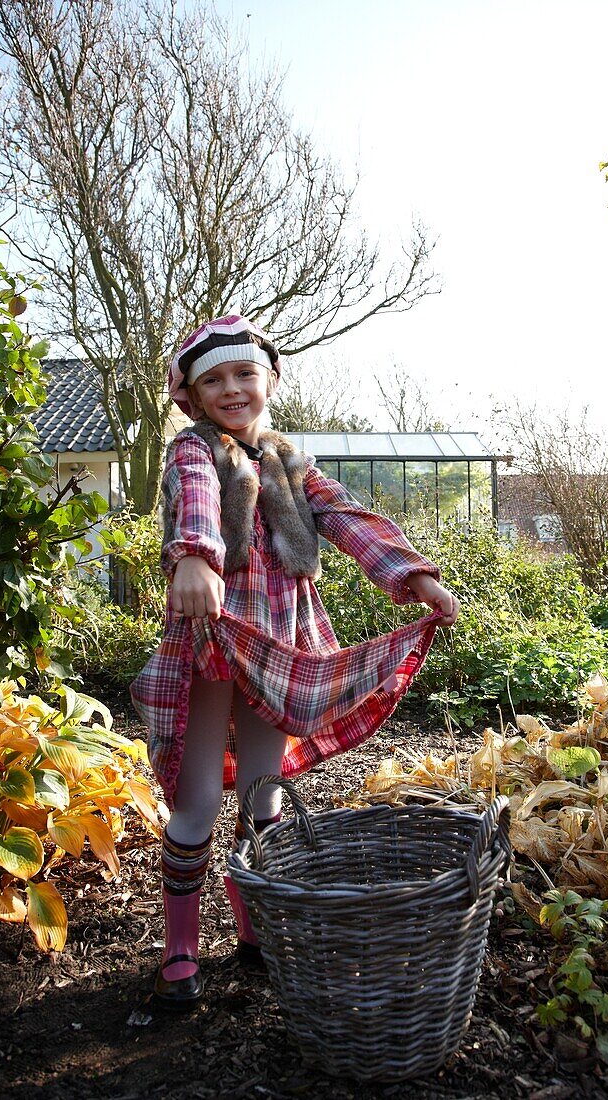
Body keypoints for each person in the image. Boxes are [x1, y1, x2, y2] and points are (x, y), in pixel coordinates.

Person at [131, 315, 459, 1010]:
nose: (231, 388)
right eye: (211, 379)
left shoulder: (289, 462)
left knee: (262, 798)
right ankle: (181, 948)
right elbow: (193, 503)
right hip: (213, 638)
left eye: (243, 373)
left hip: (280, 649)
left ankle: (256, 931)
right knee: (193, 806)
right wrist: (194, 556)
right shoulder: (193, 452)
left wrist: (412, 576)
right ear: (189, 395)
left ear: (270, 379)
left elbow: (346, 516)